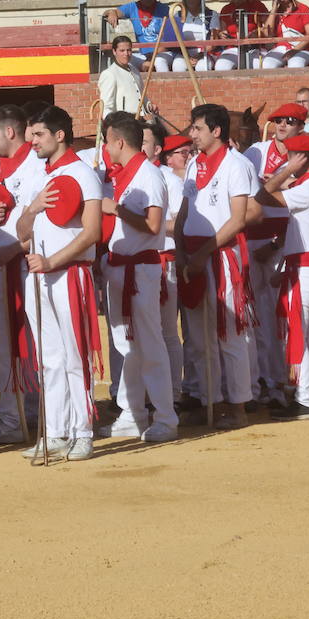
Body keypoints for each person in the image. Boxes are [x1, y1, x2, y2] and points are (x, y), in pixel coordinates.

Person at [16, 105, 104, 460]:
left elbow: (93, 231)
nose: (31, 141)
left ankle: (83, 432)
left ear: (59, 135)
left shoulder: (84, 174)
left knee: (73, 355)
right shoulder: (39, 175)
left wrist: (52, 259)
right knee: (49, 358)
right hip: (39, 275)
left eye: (38, 135)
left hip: (69, 274)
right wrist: (33, 207)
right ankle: (56, 432)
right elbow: (22, 233)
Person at [175, 103, 257, 430]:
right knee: (198, 338)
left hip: (221, 255)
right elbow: (185, 209)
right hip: (194, 253)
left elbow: (238, 218)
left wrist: (201, 252)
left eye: (197, 128)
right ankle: (211, 401)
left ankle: (238, 406)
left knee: (229, 333)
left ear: (216, 131)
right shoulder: (195, 164)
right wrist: (182, 248)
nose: (191, 134)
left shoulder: (236, 165)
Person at [100, 113, 176, 442]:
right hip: (120, 266)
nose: (104, 147)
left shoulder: (148, 176)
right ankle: (133, 414)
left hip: (140, 268)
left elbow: (154, 225)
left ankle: (166, 417)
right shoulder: (126, 176)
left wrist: (115, 209)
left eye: (106, 140)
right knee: (125, 345)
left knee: (149, 342)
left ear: (118, 142)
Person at [0, 104, 48, 445]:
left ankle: (15, 417)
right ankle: (22, 411)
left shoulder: (34, 166)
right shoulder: (0, 169)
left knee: (22, 344)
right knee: (6, 344)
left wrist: (13, 248)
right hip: (2, 263)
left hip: (21, 264)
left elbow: (41, 220)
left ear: (8, 131)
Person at [254, 134, 309, 420]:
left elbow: (263, 195)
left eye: (291, 156)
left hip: (303, 271)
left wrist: (285, 172)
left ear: (302, 159)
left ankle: (304, 402)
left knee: (299, 337)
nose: (287, 161)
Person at [244, 103, 309, 407]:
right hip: (253, 241)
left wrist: (276, 244)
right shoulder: (255, 152)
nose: (283, 125)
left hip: (284, 243)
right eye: (278, 121)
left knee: (282, 316)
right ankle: (267, 379)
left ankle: (283, 379)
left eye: (291, 121)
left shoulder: (303, 154)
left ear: (301, 126)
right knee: (259, 319)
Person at [158, 131, 191, 405]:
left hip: (165, 259)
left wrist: (144, 223)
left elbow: (179, 223)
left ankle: (174, 392)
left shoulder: (168, 179)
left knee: (168, 331)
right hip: (140, 263)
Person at [103, 0, 171, 71]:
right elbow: (111, 12)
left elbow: (167, 41)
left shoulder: (164, 9)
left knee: (159, 62)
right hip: (143, 55)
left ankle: (164, 85)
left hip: (162, 54)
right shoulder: (132, 7)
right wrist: (111, 12)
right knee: (123, 61)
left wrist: (151, 59)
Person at [160, 0, 221, 72]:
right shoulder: (178, 15)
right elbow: (173, 38)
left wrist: (200, 55)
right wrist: (187, 56)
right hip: (183, 52)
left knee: (202, 67)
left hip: (205, 52)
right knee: (178, 66)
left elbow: (213, 40)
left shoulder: (211, 15)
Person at [215, 0, 270, 71]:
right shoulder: (226, 9)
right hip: (233, 47)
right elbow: (222, 30)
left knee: (258, 66)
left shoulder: (257, 5)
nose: (236, 1)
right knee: (221, 66)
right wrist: (221, 34)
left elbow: (267, 27)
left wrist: (258, 32)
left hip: (254, 47)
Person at [261, 0, 309, 69]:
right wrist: (274, 9)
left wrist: (294, 50)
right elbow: (267, 34)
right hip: (281, 48)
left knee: (295, 63)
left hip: (301, 48)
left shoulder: (303, 9)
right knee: (267, 64)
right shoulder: (273, 14)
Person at [98, 35, 145, 117]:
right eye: (122, 51)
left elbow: (142, 97)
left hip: (140, 121)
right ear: (114, 51)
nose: (126, 54)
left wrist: (149, 106)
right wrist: (115, 125)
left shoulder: (135, 70)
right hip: (123, 124)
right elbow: (106, 107)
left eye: (129, 50)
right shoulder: (109, 74)